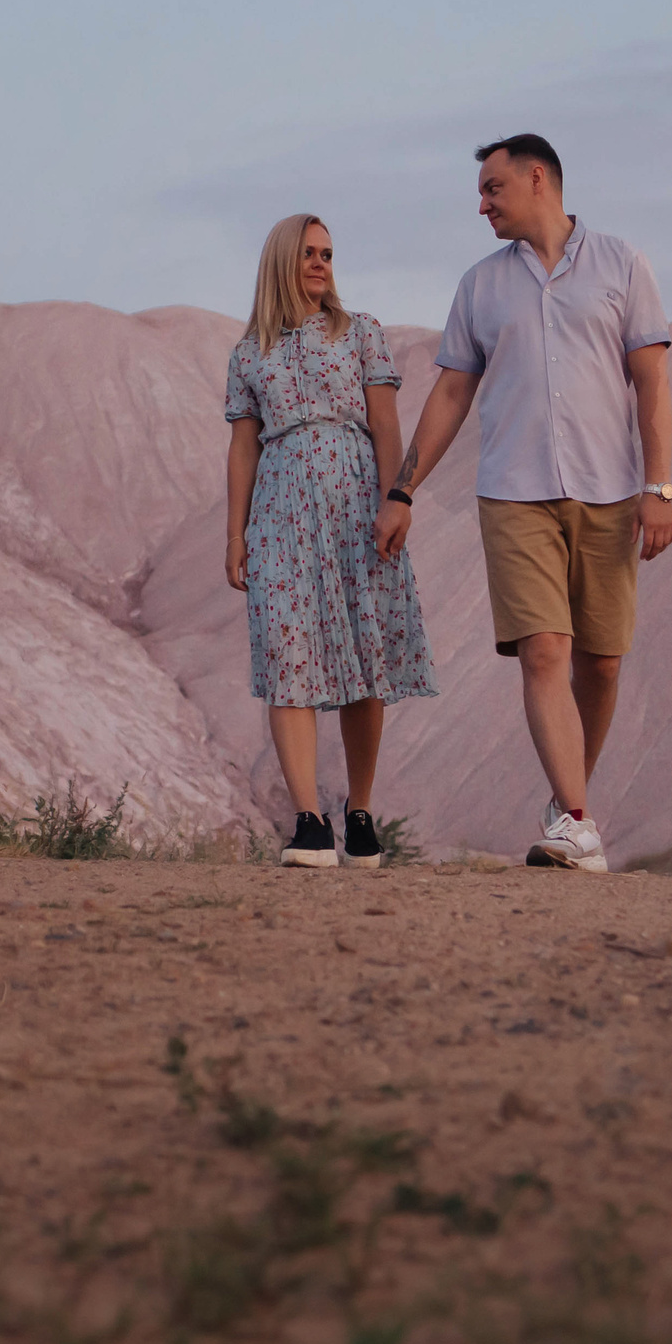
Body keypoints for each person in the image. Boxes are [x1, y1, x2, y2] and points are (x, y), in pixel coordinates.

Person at [372, 135, 672, 871]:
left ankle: (567, 811)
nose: (481, 204)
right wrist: (403, 487)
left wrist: (660, 486)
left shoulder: (622, 264)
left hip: (609, 492)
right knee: (545, 652)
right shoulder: (480, 286)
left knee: (600, 665)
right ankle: (577, 819)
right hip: (514, 492)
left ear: (537, 179)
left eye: (491, 188)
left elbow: (653, 384)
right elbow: (450, 393)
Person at [224, 214, 437, 868]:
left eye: (328, 254)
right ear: (282, 261)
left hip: (356, 510)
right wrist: (235, 535)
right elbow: (241, 450)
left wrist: (395, 499)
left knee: (362, 661)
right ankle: (310, 821)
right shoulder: (249, 353)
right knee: (289, 659)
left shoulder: (360, 332)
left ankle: (360, 810)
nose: (320, 263)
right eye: (309, 253)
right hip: (281, 517)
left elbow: (385, 425)